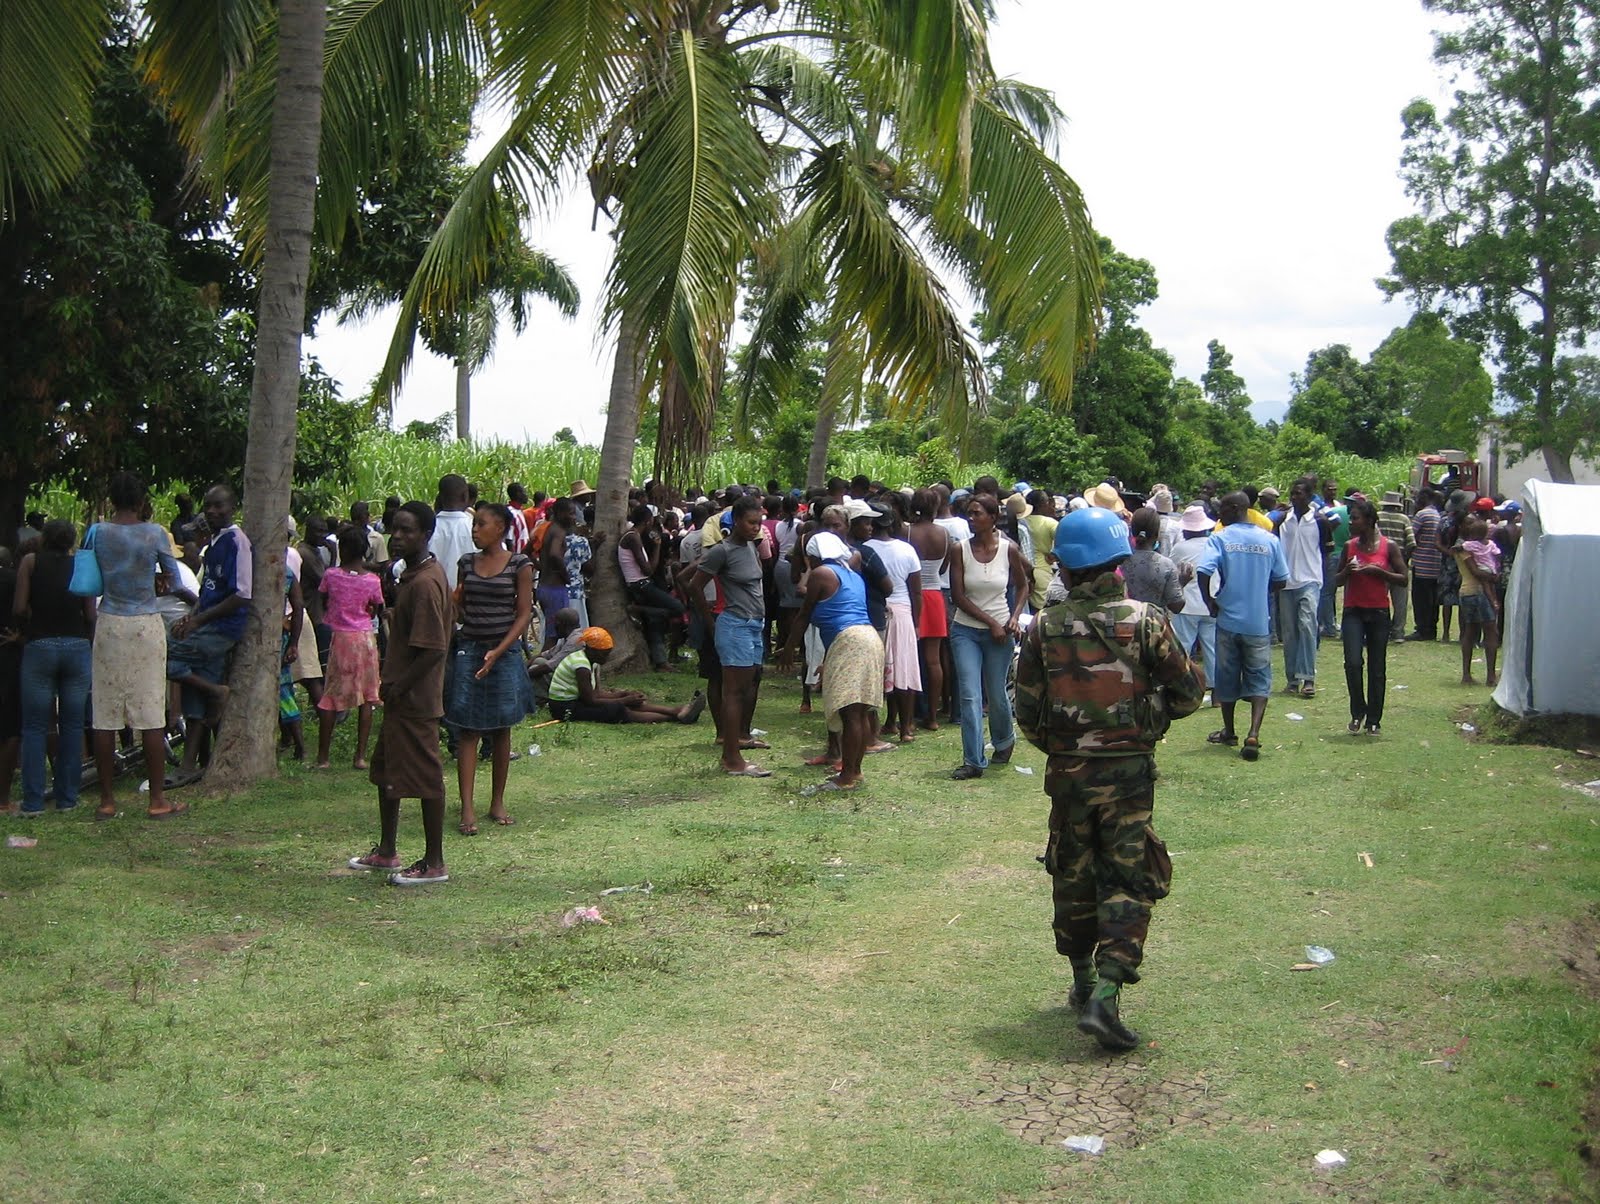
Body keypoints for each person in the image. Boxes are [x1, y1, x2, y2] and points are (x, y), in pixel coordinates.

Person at [1016, 505, 1204, 1051]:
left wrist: (1067, 749)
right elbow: (1189, 695)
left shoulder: (1044, 628)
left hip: (1068, 776)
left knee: (1072, 871)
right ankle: (1104, 993)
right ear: (1119, 560)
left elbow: (1027, 714)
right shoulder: (1145, 621)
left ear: (1064, 567)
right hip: (1128, 775)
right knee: (1128, 876)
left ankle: (1080, 981)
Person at [348, 502, 453, 886]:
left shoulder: (425, 582)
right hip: (398, 694)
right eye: (395, 530)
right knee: (387, 771)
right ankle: (387, 851)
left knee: (426, 777)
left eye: (408, 531)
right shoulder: (413, 575)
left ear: (425, 535)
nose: (398, 537)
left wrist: (400, 686)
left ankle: (434, 861)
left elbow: (434, 648)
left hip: (415, 698)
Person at [90, 472, 190, 819]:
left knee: (104, 715)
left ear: (113, 498)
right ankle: (157, 799)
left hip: (109, 621)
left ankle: (106, 800)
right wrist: (156, 582)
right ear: (139, 500)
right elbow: (174, 579)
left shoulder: (98, 532)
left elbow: (89, 579)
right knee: (150, 714)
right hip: (145, 623)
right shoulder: (154, 533)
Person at [447, 504, 533, 834]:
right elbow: (460, 614)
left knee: (501, 727)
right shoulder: (466, 563)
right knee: (467, 728)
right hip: (470, 650)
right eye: (474, 524)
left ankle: (497, 801)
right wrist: (454, 603)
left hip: (505, 651)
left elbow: (524, 613)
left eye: (481, 524)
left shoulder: (519, 564)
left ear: (500, 528)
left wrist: (499, 650)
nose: (474, 530)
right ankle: (467, 808)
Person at [778, 533, 883, 790]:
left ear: (813, 555)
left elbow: (804, 615)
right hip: (866, 637)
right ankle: (854, 771)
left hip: (849, 641)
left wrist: (789, 648)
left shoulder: (822, 574)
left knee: (850, 714)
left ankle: (847, 776)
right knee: (857, 711)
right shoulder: (852, 575)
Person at [12, 520, 95, 815]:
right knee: (73, 724)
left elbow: (19, 608)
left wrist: (28, 627)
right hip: (76, 646)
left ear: (44, 538)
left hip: (40, 645)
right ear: (70, 541)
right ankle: (67, 799)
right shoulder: (81, 564)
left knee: (35, 726)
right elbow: (90, 612)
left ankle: (33, 802)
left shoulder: (31, 562)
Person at [1198, 492, 1288, 762]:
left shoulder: (1220, 538)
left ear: (1236, 508)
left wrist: (1211, 601)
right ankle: (1253, 733)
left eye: (1223, 507)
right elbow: (1282, 579)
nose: (1219, 513)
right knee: (1260, 678)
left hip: (1228, 619)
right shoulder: (1269, 540)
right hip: (1258, 622)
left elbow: (1203, 571)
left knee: (1226, 677)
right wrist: (1261, 590)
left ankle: (1229, 730)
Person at [948, 493, 1031, 779]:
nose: (971, 519)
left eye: (977, 514)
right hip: (966, 631)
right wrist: (990, 622)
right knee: (970, 695)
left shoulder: (1008, 549)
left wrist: (1013, 617)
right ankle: (973, 760)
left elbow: (1023, 586)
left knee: (996, 693)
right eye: (969, 514)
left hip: (1000, 633)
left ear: (993, 518)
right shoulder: (959, 549)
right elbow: (958, 596)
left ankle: (1004, 740)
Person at [688, 496, 772, 777]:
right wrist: (709, 621)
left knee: (748, 687)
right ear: (736, 521)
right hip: (734, 625)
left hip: (753, 625)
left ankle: (740, 741)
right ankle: (731, 759)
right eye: (751, 522)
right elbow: (694, 585)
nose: (755, 527)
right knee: (733, 693)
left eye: (759, 523)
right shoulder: (721, 551)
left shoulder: (751, 546)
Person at [166, 485, 251, 762]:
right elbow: (207, 591)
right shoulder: (213, 544)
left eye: (219, 506)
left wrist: (199, 620)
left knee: (163, 655)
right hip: (206, 625)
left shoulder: (237, 541)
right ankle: (191, 765)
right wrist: (191, 617)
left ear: (232, 508)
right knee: (196, 697)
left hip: (223, 628)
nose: (212, 511)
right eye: (208, 506)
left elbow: (241, 594)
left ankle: (217, 692)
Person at [314, 525, 386, 769]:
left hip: (341, 638)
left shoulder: (331, 576)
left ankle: (323, 757)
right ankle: (360, 756)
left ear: (342, 548)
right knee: (367, 697)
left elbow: (324, 598)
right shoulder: (372, 580)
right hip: (365, 638)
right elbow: (376, 607)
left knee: (331, 695)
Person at [1335, 498, 1408, 735]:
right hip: (1353, 611)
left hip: (1378, 612)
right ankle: (1357, 712)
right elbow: (1336, 581)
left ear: (1368, 521)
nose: (1351, 522)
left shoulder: (1389, 547)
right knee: (1353, 663)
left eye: (1355, 518)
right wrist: (1347, 571)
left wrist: (1380, 572)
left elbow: (1404, 578)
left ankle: (1374, 719)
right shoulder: (1349, 546)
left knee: (1377, 668)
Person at [546, 626, 705, 724]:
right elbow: (591, 700)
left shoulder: (590, 661)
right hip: (565, 708)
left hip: (577, 702)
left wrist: (623, 694)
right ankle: (676, 717)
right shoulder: (581, 666)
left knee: (627, 702)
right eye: (604, 654)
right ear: (592, 650)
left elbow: (596, 693)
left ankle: (677, 710)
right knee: (619, 709)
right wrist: (623, 700)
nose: (606, 658)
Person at [868, 504, 923, 742]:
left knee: (879, 669)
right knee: (905, 670)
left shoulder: (864, 549)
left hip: (874, 612)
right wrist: (918, 623)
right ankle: (905, 726)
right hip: (902, 612)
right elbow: (916, 591)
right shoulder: (907, 550)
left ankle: (886, 722)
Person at [1273, 476, 1328, 699]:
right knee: (1289, 631)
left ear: (1309, 496)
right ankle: (1292, 679)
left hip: (1310, 580)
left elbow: (1326, 549)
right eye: (1293, 493)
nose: (1295, 497)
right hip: (1287, 582)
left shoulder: (1319, 520)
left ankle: (1308, 678)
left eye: (1300, 494)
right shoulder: (1283, 521)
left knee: (1307, 624)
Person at [907, 488, 952, 731]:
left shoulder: (907, 531)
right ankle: (933, 717)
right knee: (933, 660)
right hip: (934, 594)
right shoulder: (944, 534)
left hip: (912, 596)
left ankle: (910, 716)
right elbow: (944, 567)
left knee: (910, 657)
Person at [618, 503, 684, 670]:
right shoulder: (633, 537)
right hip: (641, 584)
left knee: (656, 620)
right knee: (678, 608)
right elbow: (647, 570)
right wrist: (657, 547)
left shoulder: (635, 535)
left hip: (641, 583)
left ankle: (661, 661)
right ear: (648, 521)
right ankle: (636, 609)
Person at [1166, 505, 1217, 686]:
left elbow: (1170, 572)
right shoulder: (1215, 544)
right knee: (1212, 648)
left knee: (1183, 646)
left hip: (1187, 604)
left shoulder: (1180, 548)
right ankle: (1215, 687)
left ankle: (1183, 683)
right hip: (1211, 602)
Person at [1453, 511, 1502, 686]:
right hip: (1478, 591)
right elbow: (1476, 572)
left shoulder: (1463, 547)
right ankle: (1490, 676)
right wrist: (1494, 577)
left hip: (1466, 592)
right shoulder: (1466, 548)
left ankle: (1467, 674)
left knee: (1470, 631)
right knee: (1490, 631)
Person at [1120, 508, 1185, 613]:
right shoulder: (1166, 565)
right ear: (1157, 534)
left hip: (1125, 624)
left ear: (1132, 530)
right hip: (1154, 626)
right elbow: (1176, 607)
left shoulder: (1120, 562)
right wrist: (1181, 583)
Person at [1375, 491, 1416, 641]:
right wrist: (1405, 560)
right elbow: (1412, 543)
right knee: (1400, 601)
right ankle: (1398, 632)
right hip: (1400, 563)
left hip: (1381, 562)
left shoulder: (1378, 517)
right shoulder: (1403, 519)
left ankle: (1382, 629)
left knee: (1380, 598)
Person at [1408, 489, 1444, 641]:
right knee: (1433, 599)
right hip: (1435, 565)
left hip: (1422, 565)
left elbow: (1411, 537)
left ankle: (1422, 629)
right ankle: (1431, 629)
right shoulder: (1438, 515)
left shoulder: (1422, 515)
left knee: (1420, 599)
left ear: (1425, 498)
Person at [429, 475, 475, 590]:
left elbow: (399, 568)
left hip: (433, 595)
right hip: (467, 596)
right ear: (465, 496)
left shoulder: (427, 529)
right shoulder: (475, 528)